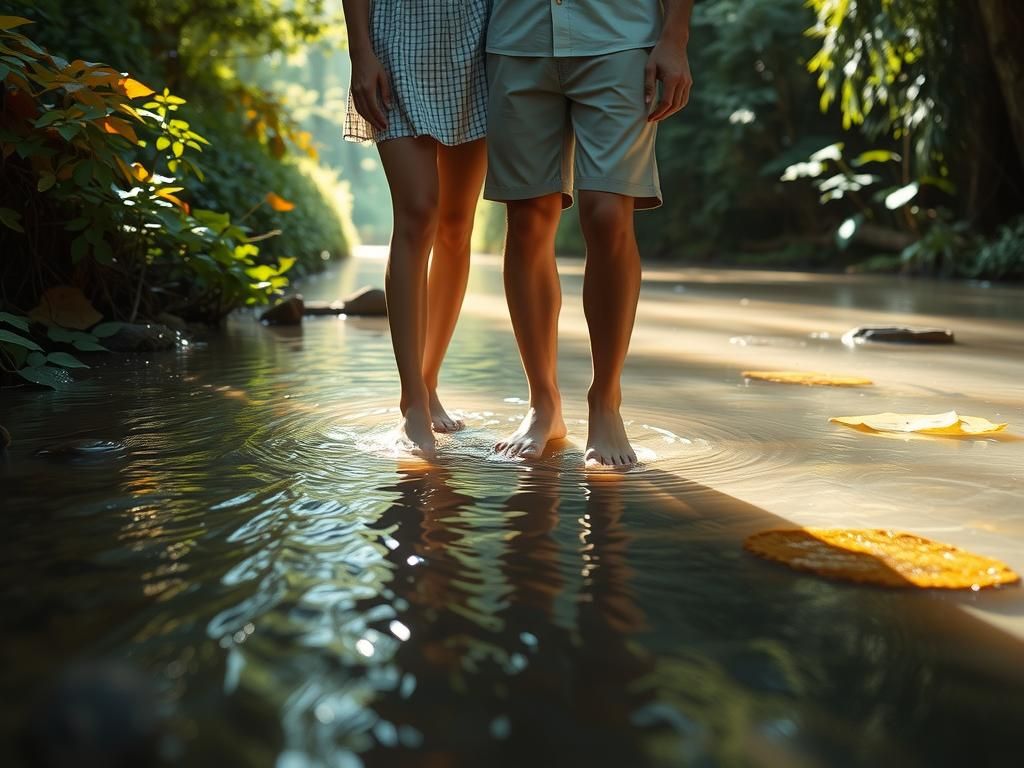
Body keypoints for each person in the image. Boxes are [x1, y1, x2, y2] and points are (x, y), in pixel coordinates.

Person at [486, 0, 694, 468]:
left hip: (621, 36)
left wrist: (675, 36)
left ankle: (606, 401)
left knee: (607, 213)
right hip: (518, 38)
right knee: (528, 218)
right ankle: (543, 404)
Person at [343, 0, 489, 457]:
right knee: (418, 211)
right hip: (395, 39)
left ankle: (428, 383)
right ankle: (412, 402)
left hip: (476, 45)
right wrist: (360, 54)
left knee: (456, 226)